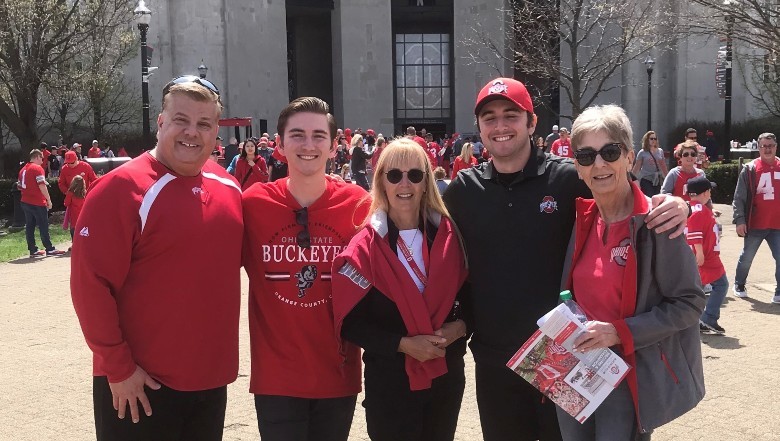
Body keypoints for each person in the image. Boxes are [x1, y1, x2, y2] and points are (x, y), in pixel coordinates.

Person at [442, 77, 689, 441]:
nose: (500, 126)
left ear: (531, 122)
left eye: (511, 115)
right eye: (489, 117)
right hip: (495, 359)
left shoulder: (569, 178)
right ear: (478, 126)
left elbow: (623, 192)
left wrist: (673, 203)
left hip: (566, 356)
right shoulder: (464, 189)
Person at [70, 75, 243, 441]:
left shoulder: (228, 188)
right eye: (181, 120)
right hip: (139, 383)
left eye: (203, 123)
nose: (191, 132)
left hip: (209, 381)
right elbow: (90, 285)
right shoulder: (121, 188)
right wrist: (118, 369)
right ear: (161, 122)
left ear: (216, 132)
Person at [558, 104, 704, 439]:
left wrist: (619, 332)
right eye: (586, 155)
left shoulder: (657, 220)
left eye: (609, 151)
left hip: (627, 376)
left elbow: (689, 303)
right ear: (577, 167)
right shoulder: (581, 217)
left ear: (628, 157)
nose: (598, 164)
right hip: (574, 371)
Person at [242, 97, 370, 441]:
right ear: (280, 145)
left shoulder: (360, 203)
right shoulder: (253, 204)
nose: (308, 145)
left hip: (337, 373)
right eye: (297, 135)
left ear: (333, 146)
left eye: (318, 136)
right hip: (276, 377)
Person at [332, 138, 470, 441]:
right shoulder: (364, 249)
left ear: (426, 182)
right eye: (394, 175)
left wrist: (459, 328)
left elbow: (472, 299)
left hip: (444, 377)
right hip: (390, 382)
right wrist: (403, 344)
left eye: (415, 175)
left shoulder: (451, 238)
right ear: (381, 181)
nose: (404, 183)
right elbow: (351, 324)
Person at [732, 132, 780, 302]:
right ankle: (739, 283)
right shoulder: (750, 168)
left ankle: (779, 291)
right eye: (764, 146)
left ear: (776, 146)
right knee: (747, 257)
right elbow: (739, 197)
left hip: (778, 224)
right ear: (758, 148)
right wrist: (740, 220)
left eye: (771, 145)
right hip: (756, 223)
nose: (767, 149)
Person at [684, 175, 729, 334]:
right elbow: (695, 232)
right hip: (707, 257)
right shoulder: (699, 210)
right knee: (721, 285)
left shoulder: (693, 207)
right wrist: (700, 253)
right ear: (704, 193)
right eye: (709, 191)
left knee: (698, 289)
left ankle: (696, 319)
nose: (710, 194)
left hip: (706, 256)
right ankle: (708, 318)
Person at [18, 149, 65, 257]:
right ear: (37, 157)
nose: (42, 160)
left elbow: (20, 186)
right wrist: (48, 200)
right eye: (41, 158)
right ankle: (49, 248)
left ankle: (32, 249)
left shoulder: (23, 170)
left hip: (25, 201)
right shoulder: (37, 168)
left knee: (30, 226)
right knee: (43, 225)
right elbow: (42, 185)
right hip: (37, 202)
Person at [632, 130, 669, 197]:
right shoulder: (642, 152)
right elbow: (637, 167)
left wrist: (668, 178)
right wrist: (631, 179)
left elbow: (663, 166)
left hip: (657, 179)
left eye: (655, 138)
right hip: (646, 178)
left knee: (657, 197)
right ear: (647, 140)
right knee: (649, 195)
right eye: (651, 138)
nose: (653, 140)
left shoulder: (660, 151)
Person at [64, 175, 87, 239]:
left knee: (73, 229)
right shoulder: (84, 192)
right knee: (82, 230)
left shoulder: (70, 193)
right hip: (82, 214)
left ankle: (74, 244)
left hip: (73, 214)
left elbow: (66, 203)